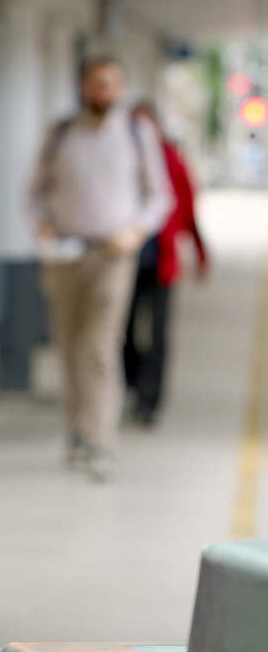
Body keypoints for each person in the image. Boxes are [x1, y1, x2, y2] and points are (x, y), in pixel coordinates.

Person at [28, 58, 172, 481]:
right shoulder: (61, 134)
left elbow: (158, 196)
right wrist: (44, 226)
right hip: (66, 253)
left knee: (100, 347)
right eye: (97, 84)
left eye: (111, 84)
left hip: (113, 254)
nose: (104, 92)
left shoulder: (136, 133)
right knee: (69, 346)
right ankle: (77, 430)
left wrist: (136, 232)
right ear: (83, 87)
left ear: (121, 88)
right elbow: (35, 193)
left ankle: (100, 439)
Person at [122, 102, 208, 427]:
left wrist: (200, 252)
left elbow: (187, 208)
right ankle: (133, 380)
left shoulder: (172, 160)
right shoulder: (123, 162)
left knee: (157, 334)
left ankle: (150, 401)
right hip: (126, 261)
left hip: (162, 262)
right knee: (126, 332)